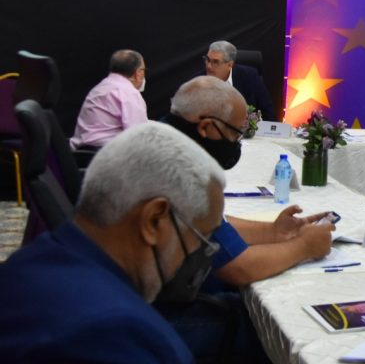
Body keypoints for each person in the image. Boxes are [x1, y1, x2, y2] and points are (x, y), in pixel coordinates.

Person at [0, 122, 224, 362]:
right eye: (200, 238)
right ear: (154, 220)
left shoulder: (26, 262)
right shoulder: (115, 333)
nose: (199, 251)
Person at [160, 76, 333, 362]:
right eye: (235, 134)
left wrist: (274, 233)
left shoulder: (163, 140)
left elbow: (212, 224)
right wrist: (304, 247)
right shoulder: (185, 171)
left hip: (144, 295)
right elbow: (238, 268)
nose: (236, 144)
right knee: (272, 322)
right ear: (206, 126)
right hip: (164, 315)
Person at [69, 49, 149, 150]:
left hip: (79, 153)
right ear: (138, 73)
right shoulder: (129, 93)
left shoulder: (99, 88)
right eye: (143, 70)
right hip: (108, 153)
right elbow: (138, 136)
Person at [204, 40, 274, 121]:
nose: (208, 66)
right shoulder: (198, 82)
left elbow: (268, 110)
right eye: (207, 60)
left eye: (215, 62)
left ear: (229, 65)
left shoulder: (250, 76)